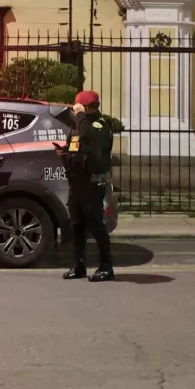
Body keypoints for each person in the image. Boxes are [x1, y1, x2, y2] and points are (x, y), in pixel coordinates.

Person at [59, 89, 115, 283]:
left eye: (79, 107)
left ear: (88, 107)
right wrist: (65, 154)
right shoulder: (79, 125)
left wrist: (81, 115)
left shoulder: (100, 125)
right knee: (77, 225)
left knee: (96, 226)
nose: (76, 111)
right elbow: (76, 145)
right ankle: (79, 265)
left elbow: (87, 137)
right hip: (77, 182)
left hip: (93, 183)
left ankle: (106, 267)